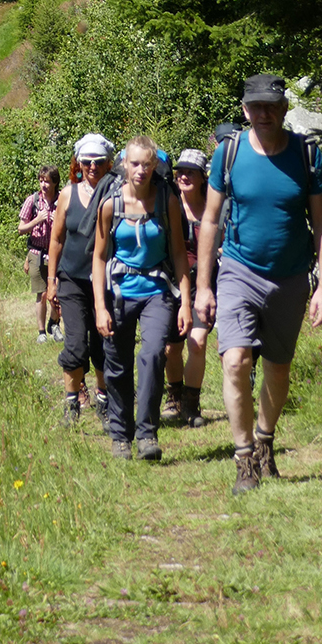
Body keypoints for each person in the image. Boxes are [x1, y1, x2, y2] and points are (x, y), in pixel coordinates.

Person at [195, 73, 322, 494]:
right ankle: (243, 461)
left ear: (284, 109)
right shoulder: (230, 153)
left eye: (271, 106)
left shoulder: (307, 155)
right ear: (244, 110)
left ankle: (265, 440)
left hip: (290, 278)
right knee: (234, 360)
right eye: (255, 106)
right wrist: (204, 286)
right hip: (238, 270)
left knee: (278, 367)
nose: (264, 113)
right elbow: (210, 220)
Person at [92, 135, 191, 461]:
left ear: (154, 166)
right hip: (119, 293)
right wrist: (100, 307)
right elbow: (100, 257)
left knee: (152, 356)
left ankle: (146, 433)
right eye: (135, 163)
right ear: (124, 165)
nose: (141, 170)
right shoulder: (111, 204)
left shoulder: (167, 201)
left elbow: (179, 253)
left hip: (157, 292)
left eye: (147, 164)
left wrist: (186, 302)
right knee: (117, 365)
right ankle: (121, 436)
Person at [46, 134, 114, 424]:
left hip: (107, 281)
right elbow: (57, 238)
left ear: (108, 163)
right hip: (72, 279)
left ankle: (104, 400)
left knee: (103, 344)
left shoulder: (116, 194)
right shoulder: (67, 194)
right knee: (76, 344)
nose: (93, 167)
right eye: (87, 162)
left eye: (99, 162)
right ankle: (71, 404)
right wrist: (51, 281)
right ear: (78, 163)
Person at [163, 148, 211, 427]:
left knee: (198, 342)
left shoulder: (214, 206)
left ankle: (191, 405)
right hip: (173, 283)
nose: (183, 176)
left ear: (203, 177)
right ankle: (175, 397)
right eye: (180, 171)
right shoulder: (170, 205)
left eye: (190, 171)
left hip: (205, 283)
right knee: (172, 347)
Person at [18, 167, 61, 340]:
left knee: (58, 291)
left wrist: (57, 220)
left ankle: (55, 324)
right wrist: (37, 220)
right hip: (36, 251)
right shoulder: (33, 200)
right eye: (41, 181)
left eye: (47, 181)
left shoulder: (62, 200)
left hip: (57, 253)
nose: (44, 185)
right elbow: (21, 229)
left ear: (55, 182)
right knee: (41, 293)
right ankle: (41, 332)